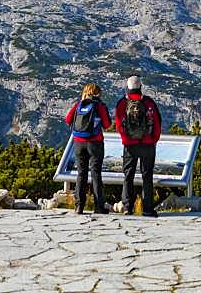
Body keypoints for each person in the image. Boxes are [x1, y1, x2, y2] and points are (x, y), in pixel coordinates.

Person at [115, 75, 162, 217]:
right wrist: (153, 139)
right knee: (147, 176)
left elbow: (118, 124)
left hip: (130, 145)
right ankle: (147, 209)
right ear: (140, 87)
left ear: (127, 88)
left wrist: (125, 138)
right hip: (147, 145)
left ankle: (128, 207)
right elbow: (157, 123)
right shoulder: (148, 102)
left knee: (128, 175)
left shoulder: (122, 103)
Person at [64, 83, 111, 214]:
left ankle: (79, 206)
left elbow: (68, 120)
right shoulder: (99, 106)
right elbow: (107, 125)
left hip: (79, 143)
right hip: (95, 143)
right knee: (96, 174)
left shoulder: (79, 104)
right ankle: (98, 206)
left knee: (81, 174)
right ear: (97, 93)